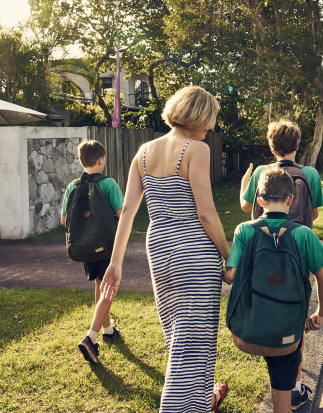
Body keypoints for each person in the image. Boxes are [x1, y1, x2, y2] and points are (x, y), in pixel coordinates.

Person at [99, 86, 232, 412]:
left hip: (159, 252)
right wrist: (230, 256)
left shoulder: (143, 152)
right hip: (194, 252)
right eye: (209, 120)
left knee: (179, 337)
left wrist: (115, 264)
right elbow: (206, 212)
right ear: (196, 116)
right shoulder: (196, 149)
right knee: (195, 342)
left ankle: (202, 403)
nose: (210, 128)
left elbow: (128, 211)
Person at [226, 166, 323, 412]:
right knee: (283, 377)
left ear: (260, 200)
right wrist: (320, 314)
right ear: (290, 200)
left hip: (249, 329)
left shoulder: (244, 230)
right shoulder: (303, 234)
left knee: (271, 358)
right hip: (287, 332)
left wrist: (223, 265)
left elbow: (231, 277)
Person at [61, 140, 124, 364]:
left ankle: (108, 330)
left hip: (84, 247)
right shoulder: (108, 184)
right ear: (101, 160)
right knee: (109, 285)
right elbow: (121, 214)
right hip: (106, 245)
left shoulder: (72, 186)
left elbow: (64, 219)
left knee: (99, 284)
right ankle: (91, 337)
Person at [239, 120, 323, 225]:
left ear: (272, 149)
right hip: (297, 238)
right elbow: (313, 214)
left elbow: (245, 207)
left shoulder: (261, 172)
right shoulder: (311, 173)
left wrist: (244, 181)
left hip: (266, 237)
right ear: (297, 146)